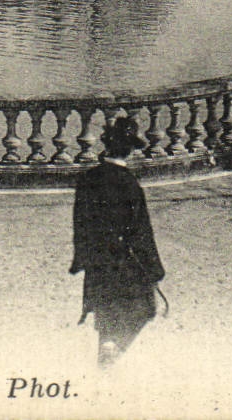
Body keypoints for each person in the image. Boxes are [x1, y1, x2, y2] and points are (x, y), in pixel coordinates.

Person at [71, 115, 166, 367]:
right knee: (145, 310)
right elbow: (141, 233)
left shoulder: (87, 179)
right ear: (130, 151)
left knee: (105, 312)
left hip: (97, 261)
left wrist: (82, 258)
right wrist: (155, 269)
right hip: (125, 262)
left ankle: (105, 352)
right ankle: (113, 351)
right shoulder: (130, 185)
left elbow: (79, 224)